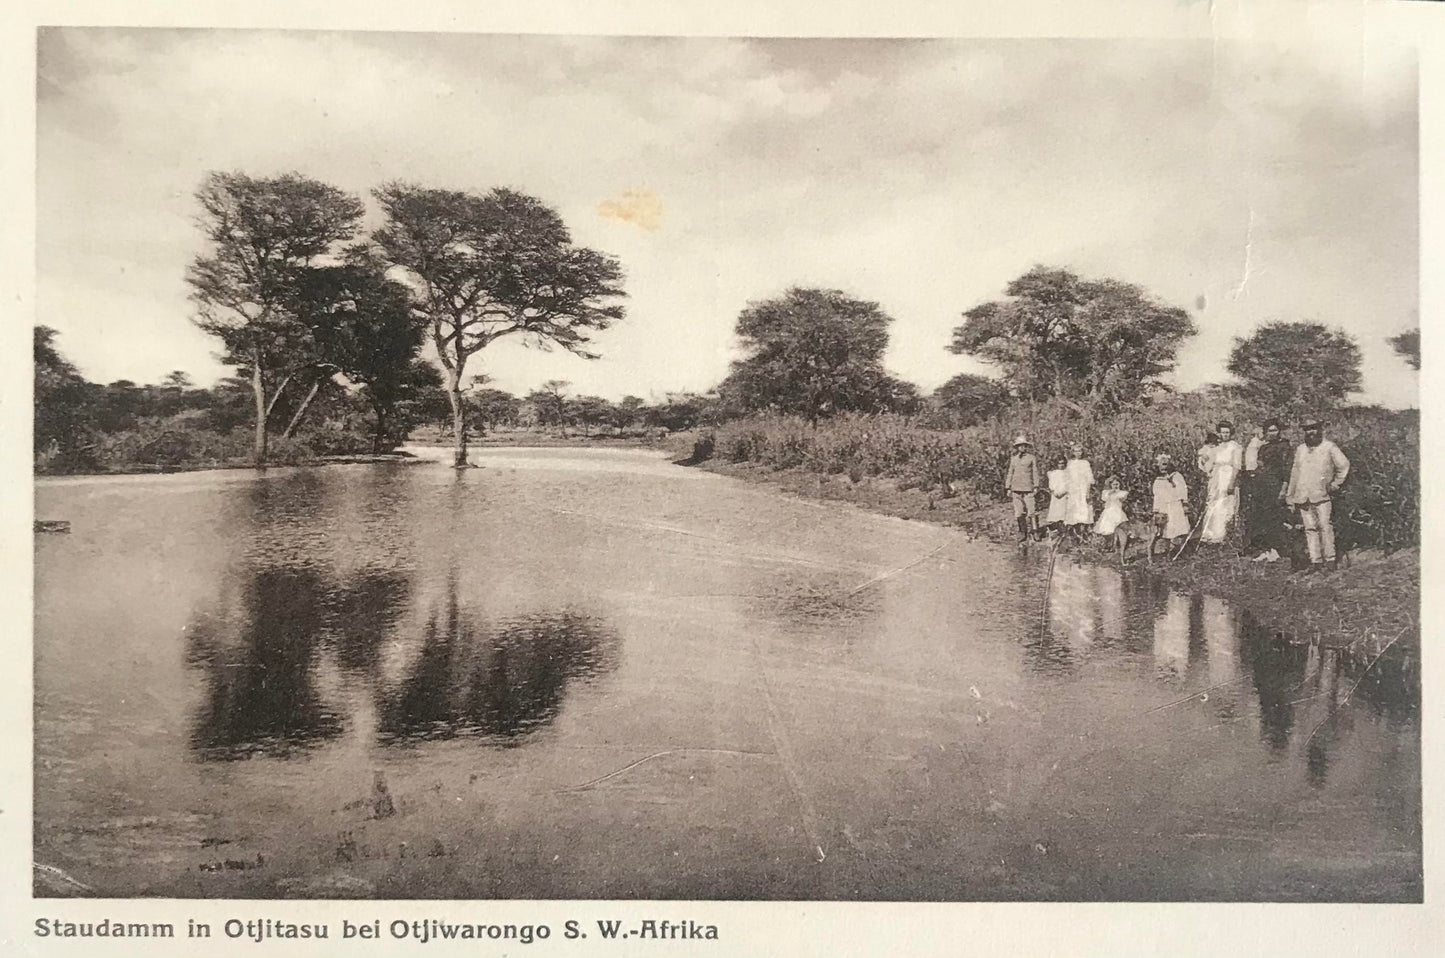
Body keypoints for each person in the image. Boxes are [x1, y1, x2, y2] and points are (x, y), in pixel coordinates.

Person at [1285, 417, 1350, 571]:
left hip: (1322, 494)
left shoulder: (1329, 447)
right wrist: (1291, 495)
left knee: (1325, 526)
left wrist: (1336, 484)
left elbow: (1344, 465)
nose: (1310, 432)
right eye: (1307, 429)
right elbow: (1295, 472)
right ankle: (1316, 561)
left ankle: (1330, 560)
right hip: (1303, 494)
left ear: (1320, 429)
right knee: (1310, 528)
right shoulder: (1301, 449)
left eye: (1313, 428)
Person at [1248, 420, 1291, 560]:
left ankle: (1277, 550)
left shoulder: (1284, 446)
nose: (1272, 433)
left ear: (1279, 431)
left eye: (1274, 430)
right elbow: (1259, 465)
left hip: (1276, 485)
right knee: (1262, 519)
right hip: (1262, 486)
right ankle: (1266, 550)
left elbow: (1287, 469)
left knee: (1275, 519)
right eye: (1269, 431)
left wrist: (1284, 488)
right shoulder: (1263, 448)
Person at [1200, 420, 1243, 544]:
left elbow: (1237, 466)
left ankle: (1223, 535)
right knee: (1213, 503)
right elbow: (1209, 463)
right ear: (1219, 433)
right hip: (1216, 477)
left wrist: (1231, 483)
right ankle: (1210, 535)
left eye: (1227, 432)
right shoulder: (1216, 447)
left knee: (1225, 504)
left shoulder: (1235, 447)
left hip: (1227, 476)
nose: (1225, 435)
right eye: (1222, 432)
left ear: (1231, 433)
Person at [1003, 435, 1039, 544]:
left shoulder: (1031, 458)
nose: (1022, 448)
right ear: (1017, 447)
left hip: (1028, 488)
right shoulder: (1013, 459)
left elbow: (1035, 472)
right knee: (1019, 512)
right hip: (1016, 488)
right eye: (1019, 446)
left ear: (1026, 446)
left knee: (1031, 511)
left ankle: (1035, 531)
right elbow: (1010, 473)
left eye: (1023, 446)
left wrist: (1036, 486)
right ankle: (1022, 532)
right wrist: (1008, 487)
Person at [1151, 453, 1190, 550]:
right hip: (1164, 507)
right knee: (1167, 528)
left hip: (1176, 505)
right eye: (1161, 465)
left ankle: (1180, 548)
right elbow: (1157, 495)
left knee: (1178, 526)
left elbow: (1183, 490)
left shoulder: (1176, 476)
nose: (1163, 467)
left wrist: (1184, 503)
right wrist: (1156, 510)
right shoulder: (1158, 480)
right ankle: (1168, 549)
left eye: (1165, 464)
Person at [1064, 442, 1095, 538]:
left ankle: (1084, 532)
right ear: (1072, 452)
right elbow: (1067, 478)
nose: (1078, 453)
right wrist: (1067, 490)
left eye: (1080, 451)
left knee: (1084, 508)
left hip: (1083, 489)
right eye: (1076, 451)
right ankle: (1074, 533)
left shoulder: (1085, 463)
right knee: (1073, 509)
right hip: (1073, 489)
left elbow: (1089, 478)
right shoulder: (1070, 463)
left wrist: (1088, 492)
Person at [1044, 456, 1070, 536]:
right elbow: (1051, 484)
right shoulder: (1053, 473)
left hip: (1065, 494)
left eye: (1063, 463)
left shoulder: (1068, 473)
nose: (1061, 465)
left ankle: (1064, 528)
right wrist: (1054, 491)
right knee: (1056, 510)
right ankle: (1057, 527)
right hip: (1056, 494)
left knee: (1064, 511)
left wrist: (1065, 491)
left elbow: (1069, 483)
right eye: (1059, 464)